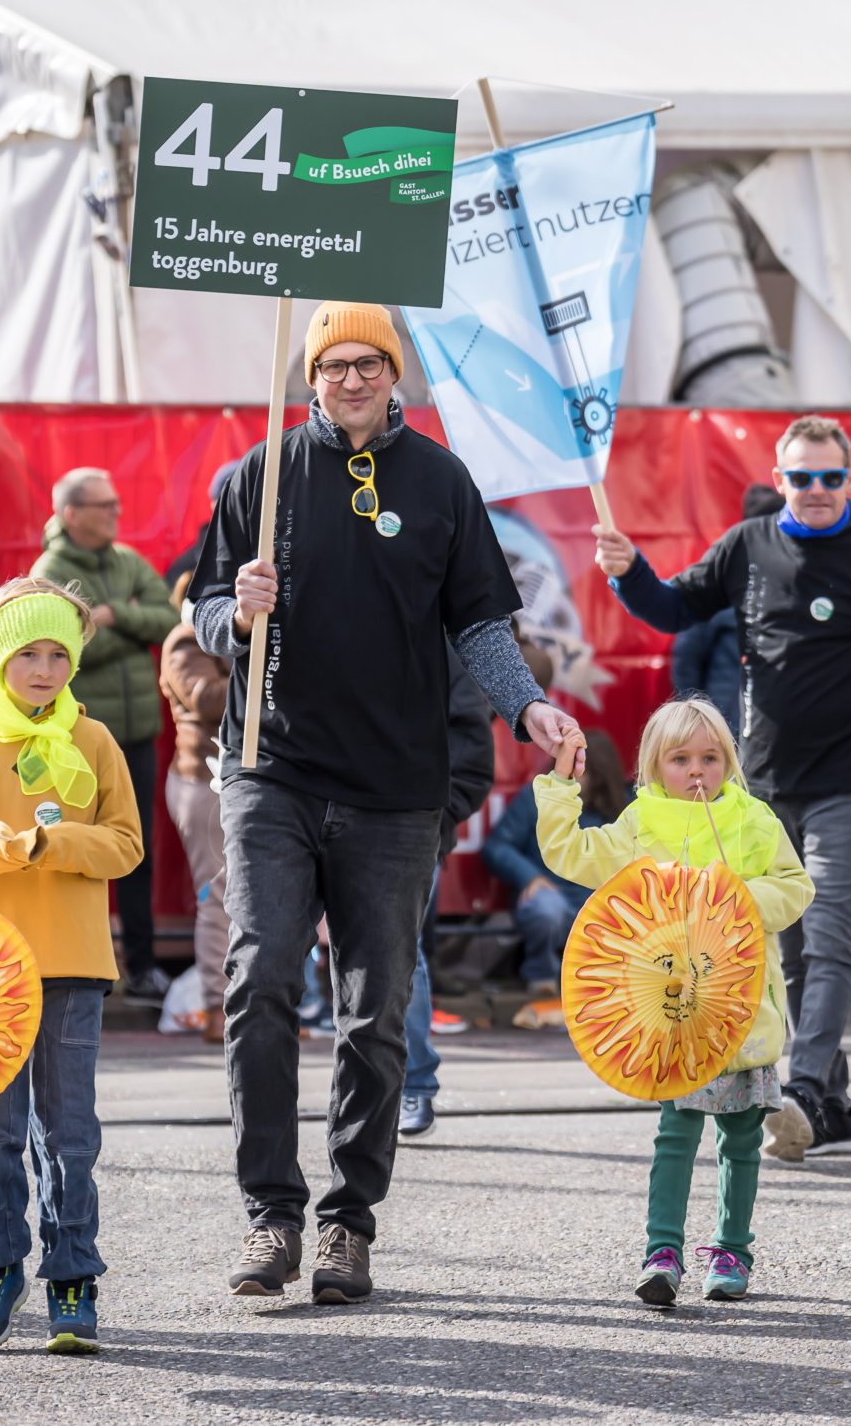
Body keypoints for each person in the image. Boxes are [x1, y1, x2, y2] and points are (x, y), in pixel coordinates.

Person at [191, 300, 574, 1306]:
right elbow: (200, 612)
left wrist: (528, 707)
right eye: (333, 364)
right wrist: (237, 608)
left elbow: (483, 625)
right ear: (310, 374)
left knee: (374, 1013)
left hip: (395, 789)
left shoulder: (442, 482)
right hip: (270, 769)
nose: (351, 379)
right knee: (261, 977)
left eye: (369, 363)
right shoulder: (256, 477)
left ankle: (345, 1227)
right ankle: (270, 1214)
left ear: (394, 373)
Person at [595, 413, 851, 1164]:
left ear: (850, 480)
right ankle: (839, 1107)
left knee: (825, 935)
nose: (816, 490)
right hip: (759, 786)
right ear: (780, 477)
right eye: (802, 476)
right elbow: (670, 607)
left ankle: (810, 1087)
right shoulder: (747, 545)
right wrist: (628, 571)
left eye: (830, 477)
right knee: (780, 946)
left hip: (850, 782)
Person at [534, 696, 811, 1306]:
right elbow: (571, 854)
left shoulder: (755, 819)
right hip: (669, 1016)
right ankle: (662, 1251)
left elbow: (795, 888)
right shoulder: (640, 824)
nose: (696, 772)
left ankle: (732, 1250)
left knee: (740, 1137)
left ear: (728, 762)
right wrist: (560, 787)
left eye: (710, 759)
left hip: (739, 1013)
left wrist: (735, 896)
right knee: (676, 1131)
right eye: (680, 759)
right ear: (653, 766)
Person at [0, 578, 144, 1354]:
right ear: (0, 657)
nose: (45, 669)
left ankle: (73, 1276)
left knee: (69, 1132)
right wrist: (2, 842)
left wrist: (59, 844)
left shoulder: (94, 740)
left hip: (74, 965)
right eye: (28, 654)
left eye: (59, 653)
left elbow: (126, 842)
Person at [30, 466, 179, 994]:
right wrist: (122, 629)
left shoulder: (127, 561)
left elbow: (169, 617)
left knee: (134, 849)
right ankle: (80, 965)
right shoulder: (50, 570)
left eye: (116, 503)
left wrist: (116, 616)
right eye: (104, 505)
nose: (116, 513)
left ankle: (140, 967)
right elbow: (67, 649)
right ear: (72, 515)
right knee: (78, 851)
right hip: (80, 741)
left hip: (136, 734)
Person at [399, 643, 497, 1139]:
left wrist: (434, 814)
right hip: (324, 816)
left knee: (399, 949)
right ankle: (372, 1089)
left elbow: (474, 759)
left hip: (411, 826)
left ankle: (412, 1085)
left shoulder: (441, 649)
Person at [478, 730, 627, 992]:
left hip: (600, 907)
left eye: (582, 767)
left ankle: (611, 985)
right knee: (546, 909)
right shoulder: (538, 796)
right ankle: (541, 976)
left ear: (602, 775)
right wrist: (529, 877)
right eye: (570, 763)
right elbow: (497, 846)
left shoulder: (625, 806)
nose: (574, 773)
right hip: (552, 898)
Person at [159, 606, 229, 1045]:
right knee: (218, 898)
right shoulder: (186, 639)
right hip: (202, 782)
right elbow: (206, 698)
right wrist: (268, 670)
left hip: (236, 777)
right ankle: (217, 1009)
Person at [669, 484, 783, 730]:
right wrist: (695, 720)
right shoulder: (720, 581)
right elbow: (687, 658)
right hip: (728, 731)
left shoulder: (802, 582)